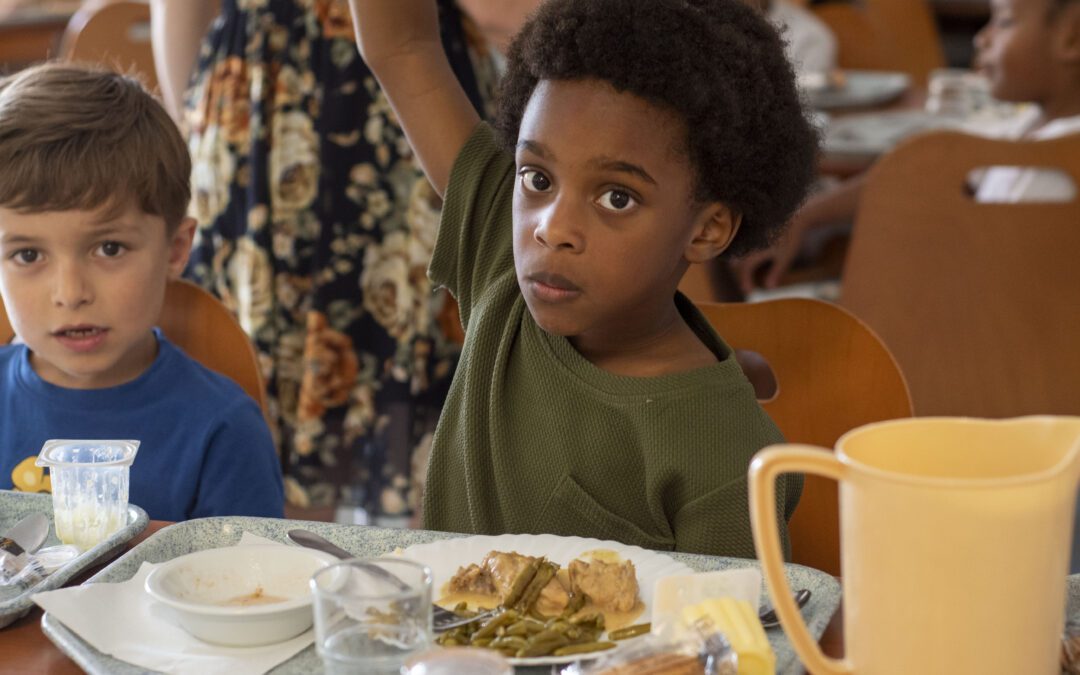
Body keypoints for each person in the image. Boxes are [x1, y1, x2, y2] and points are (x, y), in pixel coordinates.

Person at [347, 0, 817, 557]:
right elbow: (401, 46)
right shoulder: (505, 254)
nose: (553, 228)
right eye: (537, 178)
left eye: (616, 197)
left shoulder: (723, 453)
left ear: (708, 229)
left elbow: (729, 638)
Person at [149, 0, 498, 524]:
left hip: (398, 95)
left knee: (415, 343)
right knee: (280, 363)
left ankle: (423, 585)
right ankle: (294, 584)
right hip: (273, 100)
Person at [0, 63, 284, 522]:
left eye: (109, 248)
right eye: (29, 255)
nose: (70, 294)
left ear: (175, 250)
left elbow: (255, 584)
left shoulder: (223, 429)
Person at [733, 0, 1080, 293]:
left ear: (1072, 38)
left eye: (1004, 22)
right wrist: (806, 216)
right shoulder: (1021, 129)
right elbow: (918, 170)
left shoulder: (1063, 156)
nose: (982, 37)